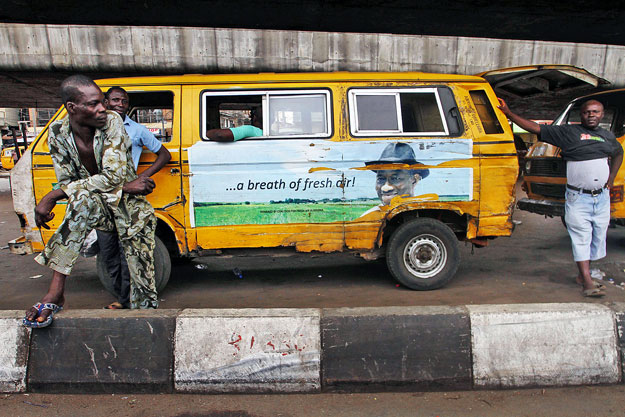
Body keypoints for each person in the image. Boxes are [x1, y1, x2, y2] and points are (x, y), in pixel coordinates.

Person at [23, 75, 159, 328]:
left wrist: (53, 195)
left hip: (130, 210)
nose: (102, 109)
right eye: (94, 104)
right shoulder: (57, 133)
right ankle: (56, 292)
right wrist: (126, 186)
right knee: (84, 207)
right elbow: (69, 181)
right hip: (99, 205)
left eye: (102, 102)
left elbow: (112, 175)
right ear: (72, 107)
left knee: (143, 291)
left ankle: (143, 327)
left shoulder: (113, 122)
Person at [498, 98, 623, 297]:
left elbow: (618, 153)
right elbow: (536, 128)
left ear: (602, 114)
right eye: (587, 112)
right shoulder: (568, 133)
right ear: (581, 115)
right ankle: (587, 282)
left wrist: (611, 178)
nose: (591, 115)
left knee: (597, 238)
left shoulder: (607, 137)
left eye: (595, 112)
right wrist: (509, 113)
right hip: (578, 197)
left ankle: (583, 276)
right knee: (581, 236)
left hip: (601, 198)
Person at [98, 86, 171, 309]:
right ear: (106, 102)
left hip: (126, 197)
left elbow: (164, 154)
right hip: (101, 195)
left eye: (124, 102)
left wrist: (142, 177)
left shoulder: (136, 130)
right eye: (115, 100)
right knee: (108, 251)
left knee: (127, 251)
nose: (120, 105)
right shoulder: (96, 129)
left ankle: (125, 299)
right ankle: (122, 294)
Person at [360, 142, 430, 216]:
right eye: (381, 179)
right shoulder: (369, 218)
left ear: (414, 180)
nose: (385, 188)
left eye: (395, 178)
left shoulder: (427, 216)